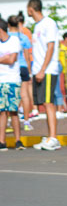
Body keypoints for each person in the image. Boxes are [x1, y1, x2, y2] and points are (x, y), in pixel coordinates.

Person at [27, 0, 61, 151]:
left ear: (31, 9)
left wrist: (42, 69)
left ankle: (53, 138)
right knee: (43, 104)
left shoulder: (49, 23)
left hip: (47, 70)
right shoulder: (37, 26)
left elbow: (51, 47)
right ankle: (50, 137)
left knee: (48, 103)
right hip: (38, 70)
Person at [0, 18, 24, 150]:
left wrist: (4, 59)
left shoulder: (14, 40)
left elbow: (12, 59)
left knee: (13, 111)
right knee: (2, 112)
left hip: (13, 79)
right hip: (1, 80)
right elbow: (8, 58)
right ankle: (2, 141)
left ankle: (18, 140)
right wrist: (5, 58)